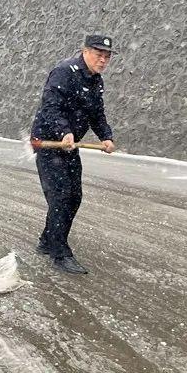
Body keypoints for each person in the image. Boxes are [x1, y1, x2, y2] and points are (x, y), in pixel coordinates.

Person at [30, 34, 117, 275]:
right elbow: (50, 105)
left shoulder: (95, 80)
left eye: (107, 56)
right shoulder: (64, 72)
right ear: (85, 51)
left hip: (70, 146)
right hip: (49, 144)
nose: (103, 60)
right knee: (60, 196)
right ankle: (60, 252)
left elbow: (97, 114)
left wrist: (105, 136)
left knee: (74, 196)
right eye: (99, 54)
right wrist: (63, 131)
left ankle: (48, 240)